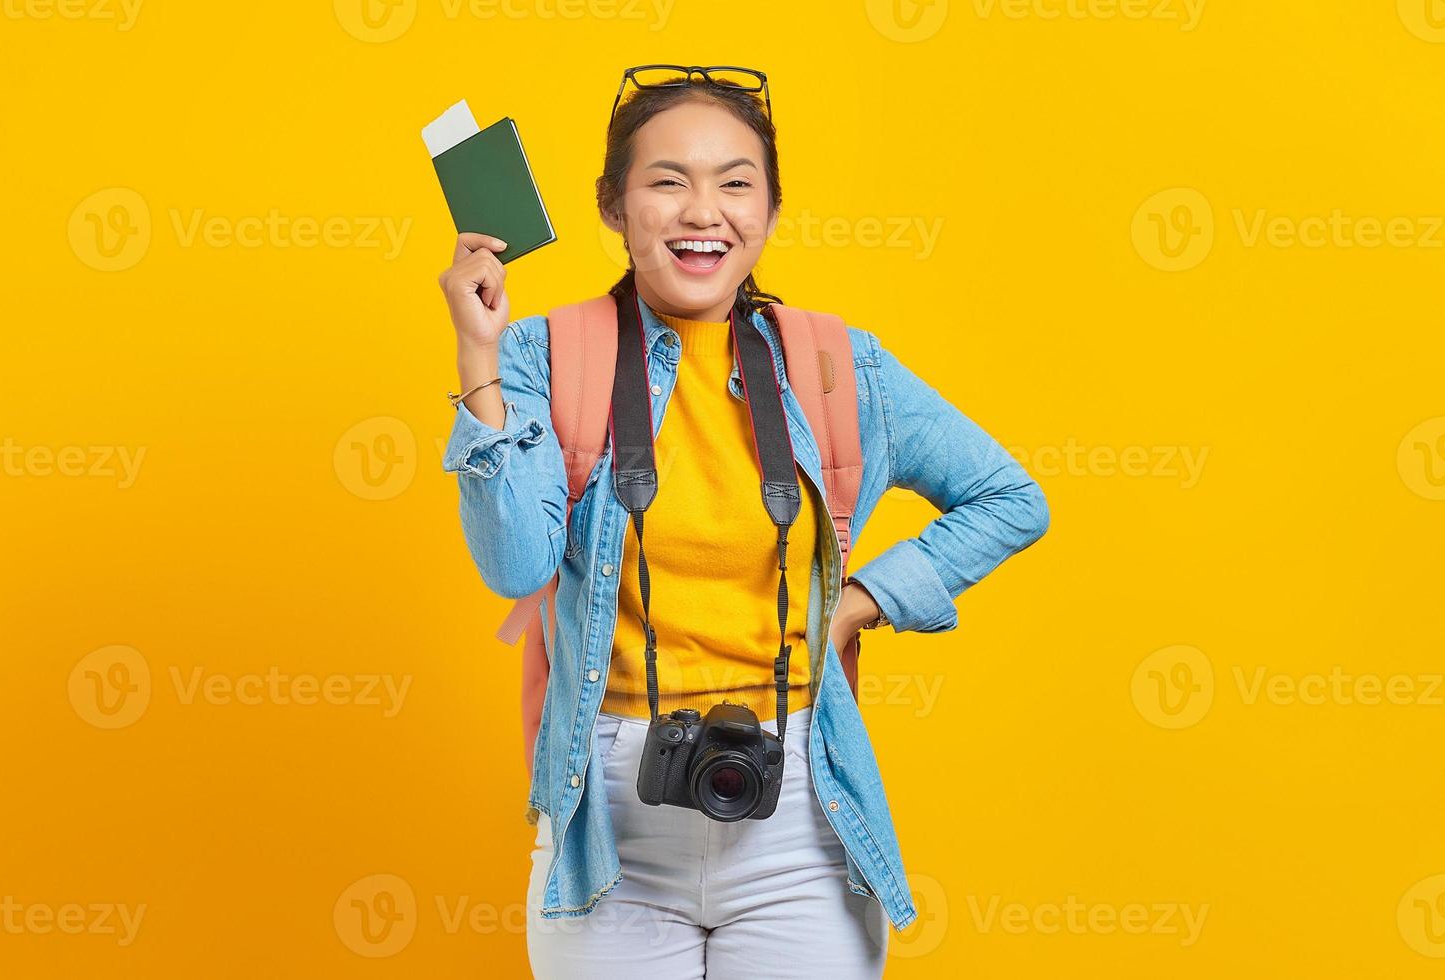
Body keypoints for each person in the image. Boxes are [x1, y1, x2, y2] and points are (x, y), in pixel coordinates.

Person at [437, 65, 1050, 979]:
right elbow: (515, 562)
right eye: (667, 181)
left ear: (769, 209)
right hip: (609, 814)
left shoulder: (839, 366)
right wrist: (478, 356)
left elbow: (1012, 499)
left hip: (798, 802)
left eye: (734, 183)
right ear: (613, 206)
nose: (703, 211)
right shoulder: (548, 352)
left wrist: (863, 600)